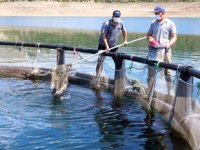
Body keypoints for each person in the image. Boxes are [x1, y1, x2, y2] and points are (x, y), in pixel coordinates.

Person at [147, 6, 177, 95]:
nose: (155, 15)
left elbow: (174, 36)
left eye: (157, 13)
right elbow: (148, 35)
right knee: (151, 71)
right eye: (155, 13)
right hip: (154, 50)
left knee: (168, 71)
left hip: (166, 50)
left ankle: (170, 92)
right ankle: (150, 92)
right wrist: (150, 39)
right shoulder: (153, 23)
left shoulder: (170, 23)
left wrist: (169, 44)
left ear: (162, 13)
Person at [94, 10, 127, 89]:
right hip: (103, 46)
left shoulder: (121, 23)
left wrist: (125, 40)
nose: (117, 18)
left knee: (118, 60)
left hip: (113, 46)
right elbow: (103, 35)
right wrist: (106, 46)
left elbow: (124, 31)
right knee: (100, 63)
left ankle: (119, 80)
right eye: (115, 17)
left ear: (120, 17)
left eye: (118, 17)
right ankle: (97, 78)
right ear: (112, 17)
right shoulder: (106, 24)